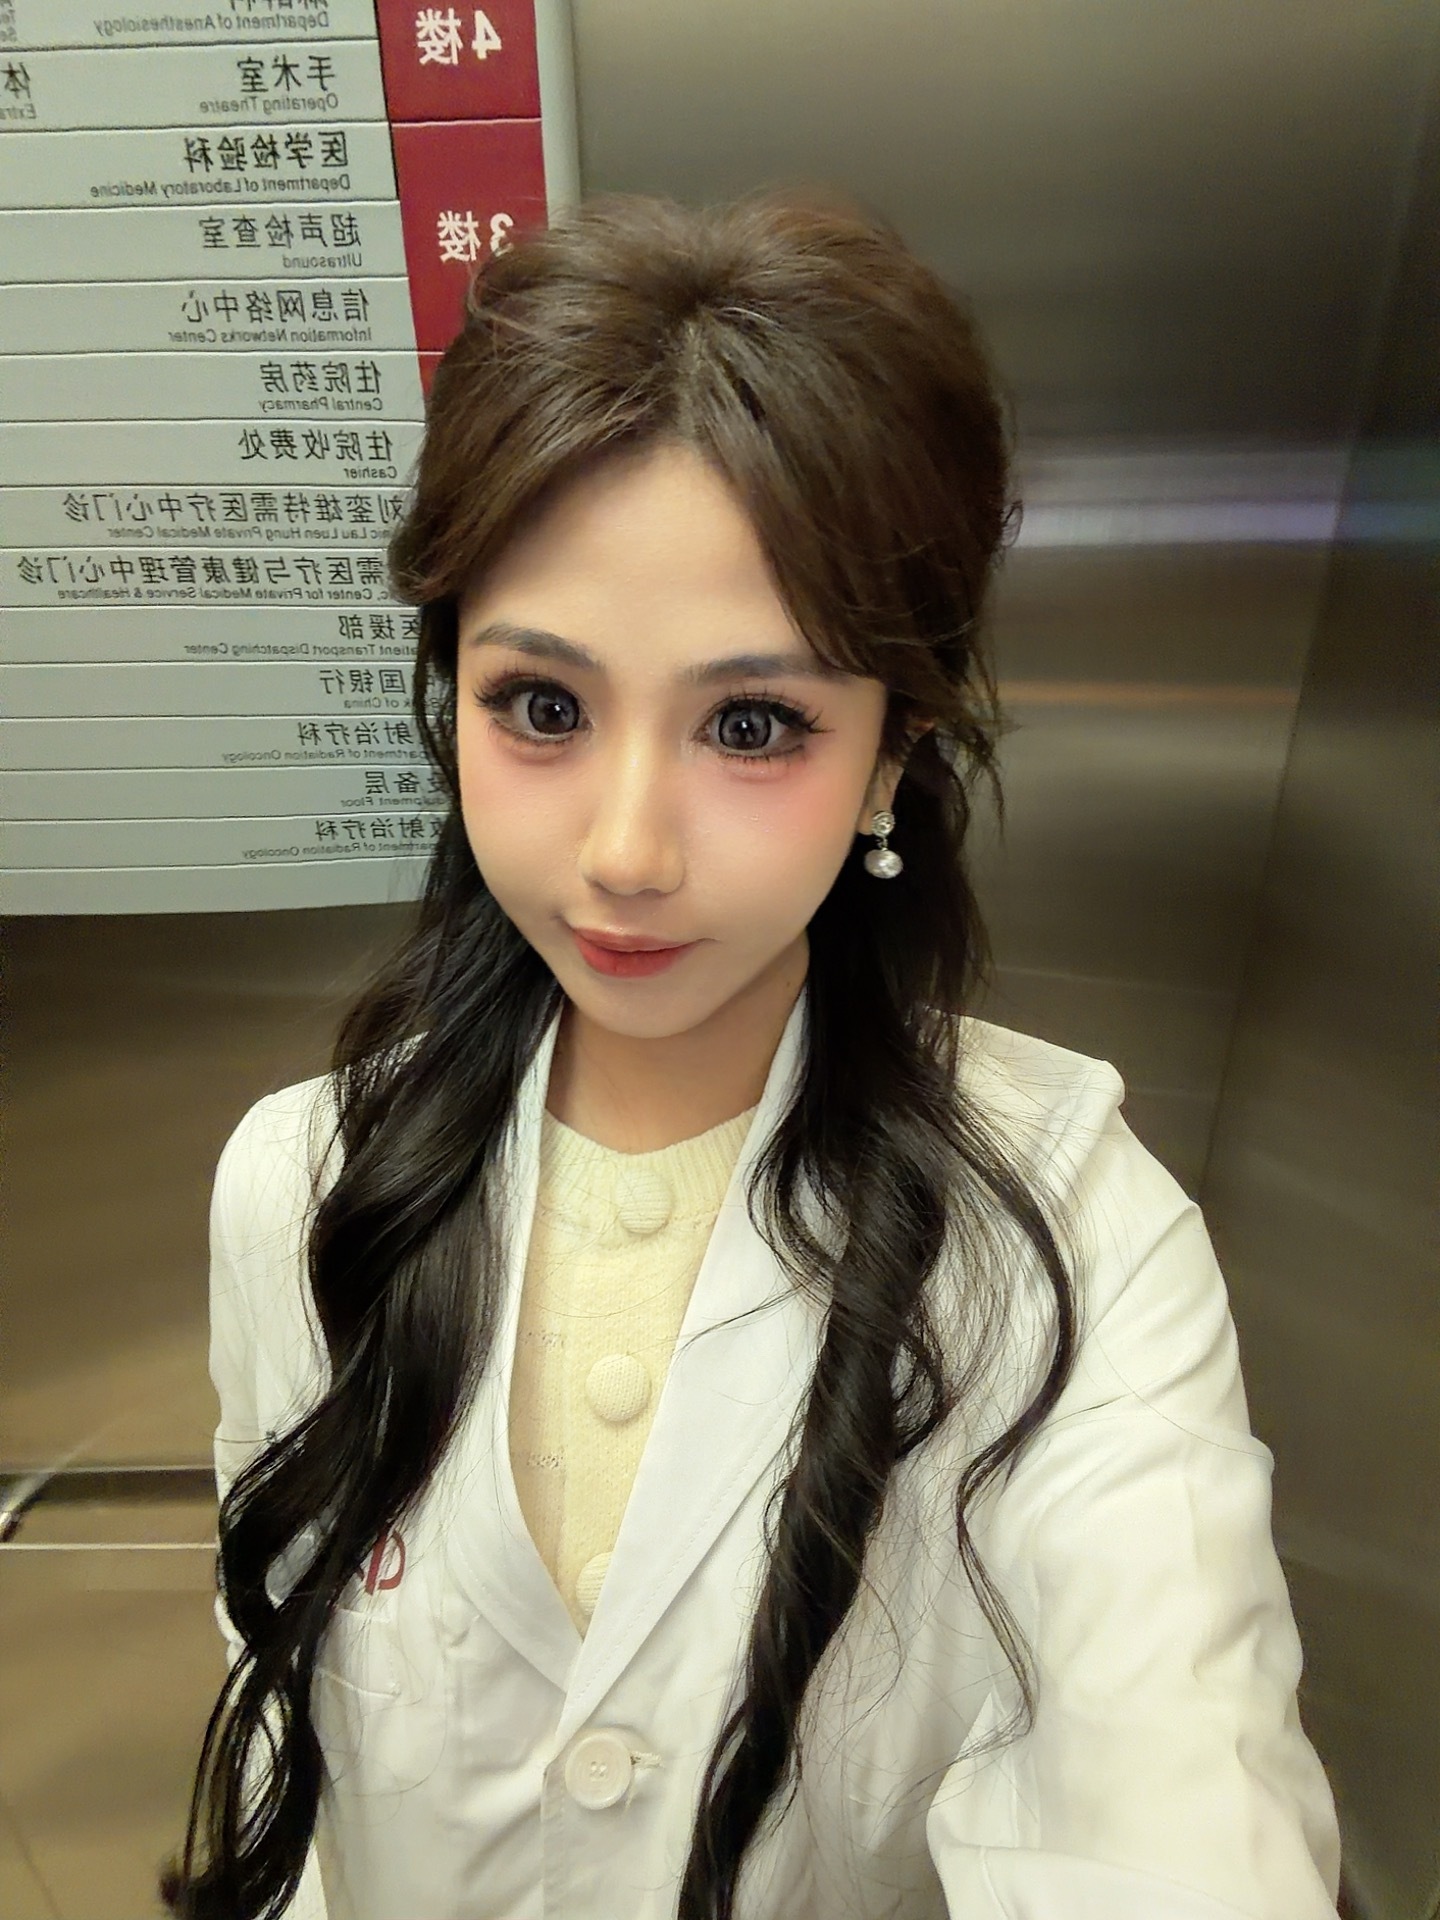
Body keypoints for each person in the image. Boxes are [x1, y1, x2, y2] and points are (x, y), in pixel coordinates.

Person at [164, 189, 1341, 1920]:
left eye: (751, 724)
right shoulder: (304, 1181)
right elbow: (288, 1712)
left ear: (892, 755)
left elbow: (1175, 1807)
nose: (626, 851)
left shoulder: (1075, 1245)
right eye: (543, 707)